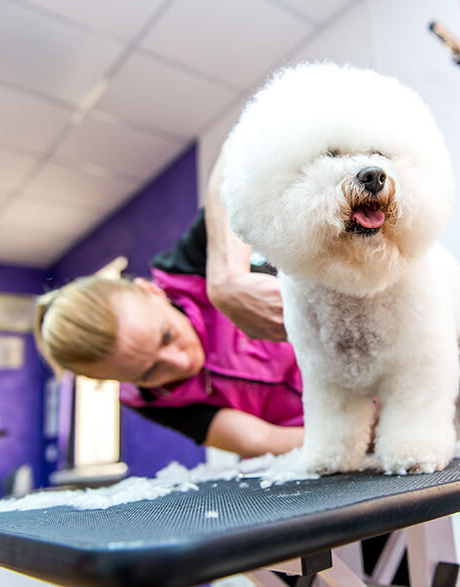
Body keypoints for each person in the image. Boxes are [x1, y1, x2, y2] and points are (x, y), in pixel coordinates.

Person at [35, 185, 304, 457]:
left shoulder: (186, 272)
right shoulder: (150, 401)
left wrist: (227, 279)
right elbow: (262, 440)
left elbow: (234, 172)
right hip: (316, 429)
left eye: (166, 336)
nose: (182, 362)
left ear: (151, 291)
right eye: (148, 374)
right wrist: (343, 436)